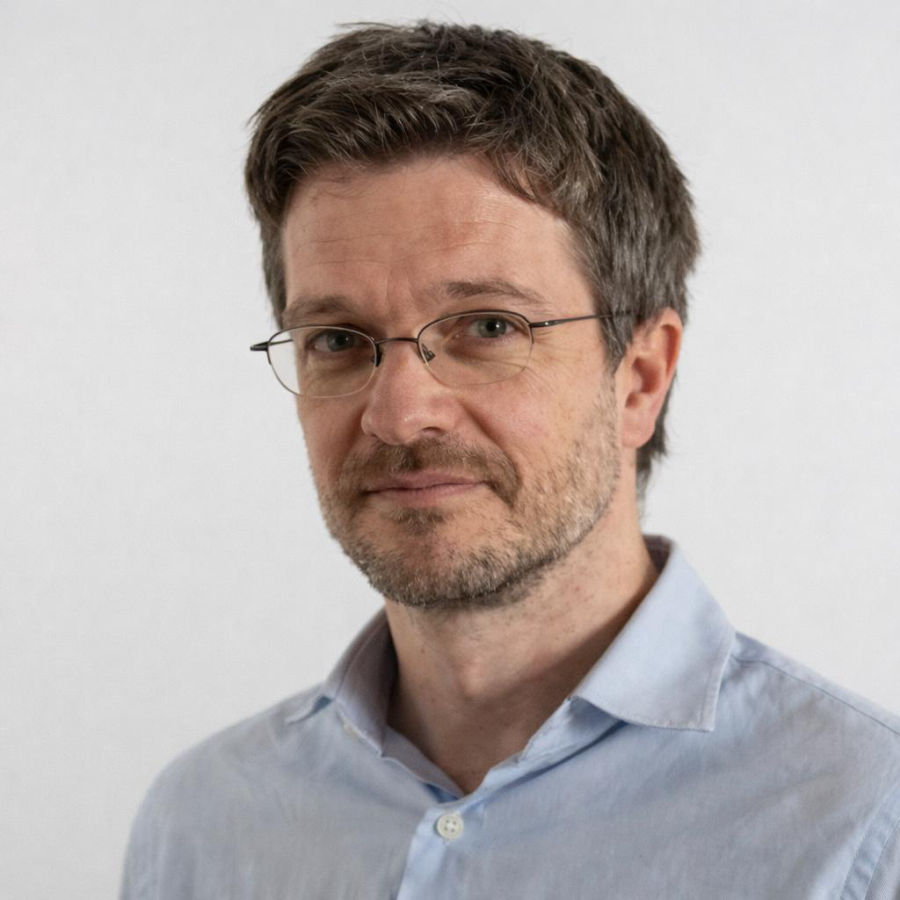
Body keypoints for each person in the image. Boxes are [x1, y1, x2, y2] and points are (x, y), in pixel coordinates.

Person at [120, 22, 900, 898]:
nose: (399, 413)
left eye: (488, 327)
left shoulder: (864, 825)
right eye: (337, 339)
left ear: (640, 379)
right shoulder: (204, 826)